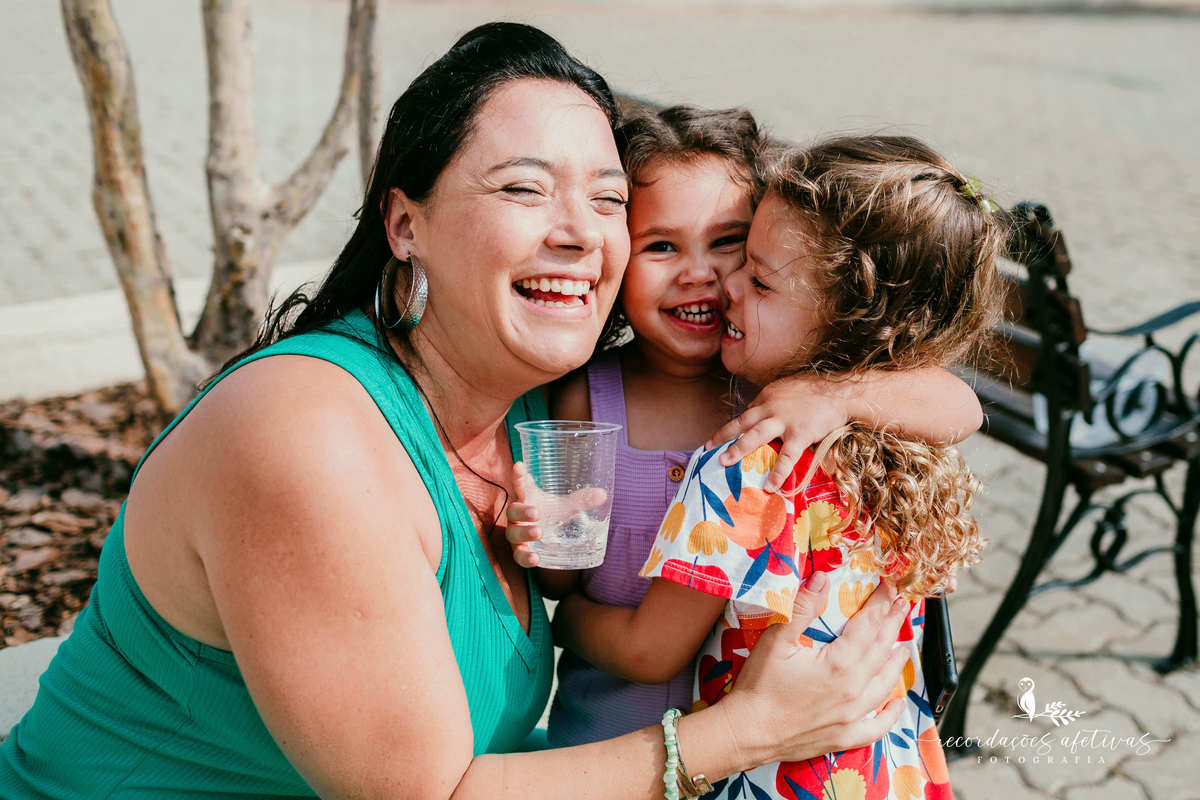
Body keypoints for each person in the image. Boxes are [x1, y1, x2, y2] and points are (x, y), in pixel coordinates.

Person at [0, 23, 917, 799]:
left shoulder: (529, 409)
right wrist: (752, 731)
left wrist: (834, 389)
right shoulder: (308, 433)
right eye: (524, 187)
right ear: (405, 225)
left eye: (605, 200)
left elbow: (935, 389)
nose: (578, 232)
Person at [538, 137, 1005, 799]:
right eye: (662, 245)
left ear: (843, 321)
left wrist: (560, 621)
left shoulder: (748, 454)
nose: (721, 283)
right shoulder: (898, 445)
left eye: (755, 275)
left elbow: (650, 650)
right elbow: (959, 407)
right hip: (879, 770)